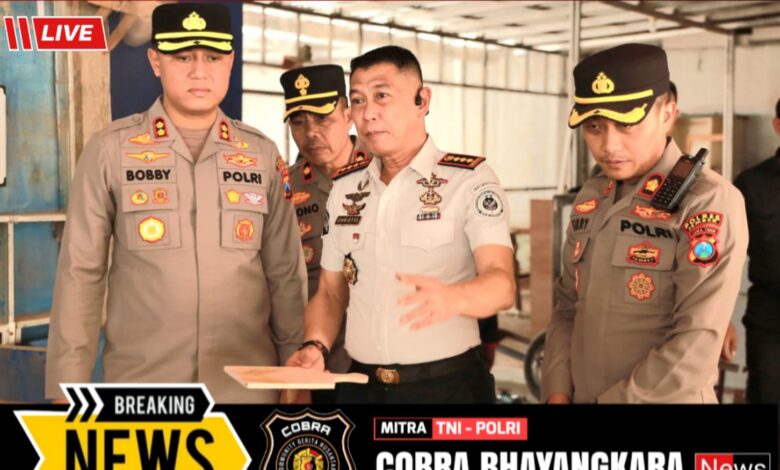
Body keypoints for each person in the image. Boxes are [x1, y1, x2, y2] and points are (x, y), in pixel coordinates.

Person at [45, 2, 306, 403]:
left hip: (246, 388)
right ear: (155, 61)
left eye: (213, 57)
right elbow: (81, 274)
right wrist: (67, 390)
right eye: (183, 57)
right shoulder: (109, 151)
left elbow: (285, 272)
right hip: (144, 390)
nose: (199, 71)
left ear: (230, 62)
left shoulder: (262, 154)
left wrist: (295, 372)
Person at [286, 46, 516, 404]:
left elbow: (502, 284)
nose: (368, 113)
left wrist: (455, 298)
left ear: (422, 101)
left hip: (446, 387)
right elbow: (330, 292)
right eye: (358, 100)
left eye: (382, 96)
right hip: (360, 387)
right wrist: (316, 345)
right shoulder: (346, 187)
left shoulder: (469, 181)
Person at [542, 43, 748, 404]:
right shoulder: (592, 195)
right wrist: (556, 391)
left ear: (667, 115)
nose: (609, 145)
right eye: (594, 126)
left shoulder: (706, 200)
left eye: (627, 124)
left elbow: (696, 343)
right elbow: (566, 307)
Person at [280, 64, 362, 402]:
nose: (311, 133)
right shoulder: (285, 188)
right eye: (299, 122)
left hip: (385, 358)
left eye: (323, 119)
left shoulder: (387, 172)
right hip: (319, 362)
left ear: (349, 116)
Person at [733, 97, 780, 409]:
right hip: (770, 324)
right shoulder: (752, 184)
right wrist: (721, 319)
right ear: (778, 126)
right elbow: (724, 258)